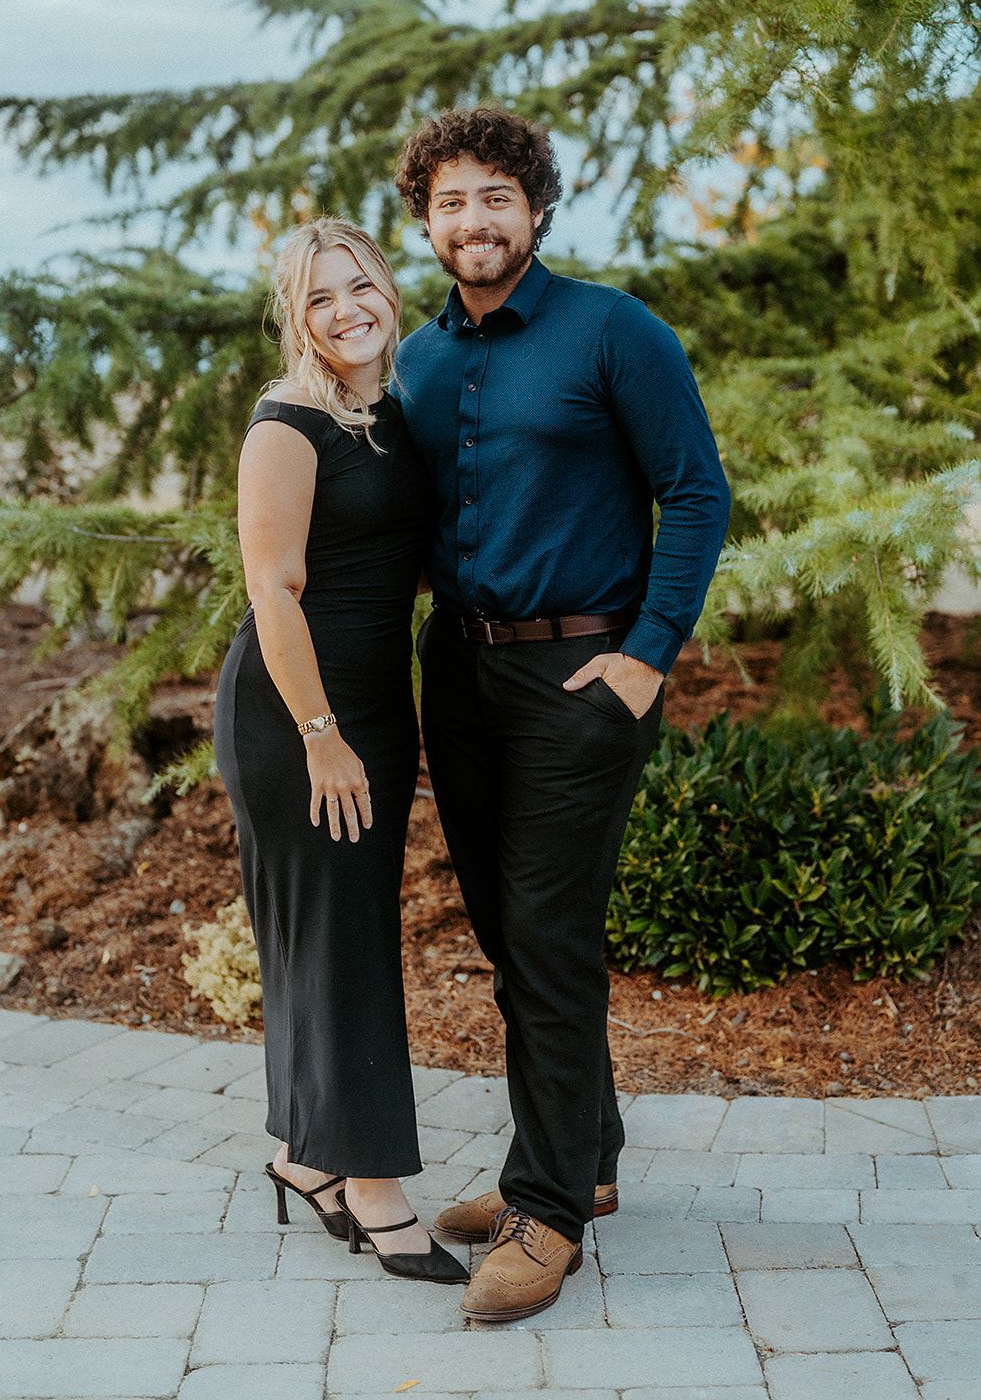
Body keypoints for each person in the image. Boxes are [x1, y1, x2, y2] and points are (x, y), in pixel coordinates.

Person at [390, 106, 732, 1322]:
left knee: (546, 931)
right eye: (448, 200)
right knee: (504, 925)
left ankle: (542, 1211)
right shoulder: (419, 358)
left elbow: (695, 494)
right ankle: (585, 1156)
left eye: (494, 196)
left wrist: (647, 655)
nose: (471, 220)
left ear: (535, 209)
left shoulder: (612, 329)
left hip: (583, 676)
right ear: (423, 219)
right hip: (463, 674)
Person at [213, 217, 467, 1286]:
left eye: (356, 283)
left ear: (386, 287)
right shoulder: (288, 423)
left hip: (370, 699)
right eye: (318, 297)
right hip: (296, 712)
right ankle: (369, 1183)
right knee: (342, 939)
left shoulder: (389, 414)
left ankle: (300, 1155)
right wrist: (321, 737)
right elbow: (272, 588)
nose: (344, 308)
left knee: (333, 932)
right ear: (296, 316)